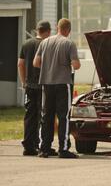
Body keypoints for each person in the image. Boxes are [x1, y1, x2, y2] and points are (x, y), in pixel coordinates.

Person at [33, 18, 81, 158]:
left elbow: (36, 63)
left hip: (46, 83)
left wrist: (49, 67)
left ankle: (44, 149)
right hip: (62, 83)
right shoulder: (69, 43)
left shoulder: (45, 42)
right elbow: (76, 65)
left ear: (57, 28)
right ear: (68, 30)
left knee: (46, 116)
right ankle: (63, 149)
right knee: (63, 116)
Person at [18, 20, 53, 156]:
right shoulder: (46, 45)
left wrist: (23, 81)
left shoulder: (26, 44)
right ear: (48, 31)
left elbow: (20, 64)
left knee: (29, 115)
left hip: (29, 85)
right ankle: (40, 145)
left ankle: (28, 145)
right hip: (43, 85)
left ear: (37, 30)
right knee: (43, 115)